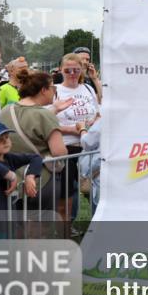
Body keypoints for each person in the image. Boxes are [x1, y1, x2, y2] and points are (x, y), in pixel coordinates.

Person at [0, 70, 70, 215]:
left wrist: (54, 109)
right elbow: (59, 152)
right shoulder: (43, 115)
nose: (54, 91)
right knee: (42, 227)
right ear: (44, 90)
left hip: (13, 179)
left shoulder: (6, 110)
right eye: (53, 88)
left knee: (18, 226)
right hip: (41, 179)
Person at [55, 54, 100, 221]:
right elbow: (47, 124)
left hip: (88, 148)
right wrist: (73, 130)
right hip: (67, 149)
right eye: (68, 70)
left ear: (82, 70)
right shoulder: (55, 90)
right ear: (61, 70)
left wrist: (89, 127)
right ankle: (67, 232)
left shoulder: (87, 89)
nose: (72, 73)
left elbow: (98, 114)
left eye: (76, 70)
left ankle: (95, 227)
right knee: (67, 196)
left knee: (93, 190)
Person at [0, 121, 42, 223]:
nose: (6, 141)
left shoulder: (8, 157)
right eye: (0, 139)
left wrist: (30, 176)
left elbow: (36, 157)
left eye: (7, 137)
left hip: (8, 213)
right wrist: (12, 176)